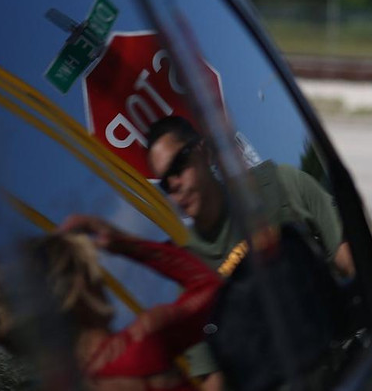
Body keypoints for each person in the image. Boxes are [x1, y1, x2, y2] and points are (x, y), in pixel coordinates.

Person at [145, 115, 353, 390]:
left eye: (179, 165)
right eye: (165, 183)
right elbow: (214, 383)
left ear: (204, 153)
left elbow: (357, 269)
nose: (175, 185)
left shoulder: (280, 188)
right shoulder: (189, 276)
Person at [0, 214, 221, 391]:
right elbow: (212, 290)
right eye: (93, 270)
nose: (102, 283)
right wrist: (124, 243)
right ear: (79, 288)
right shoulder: (141, 343)